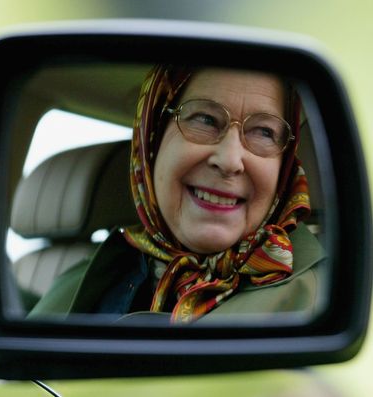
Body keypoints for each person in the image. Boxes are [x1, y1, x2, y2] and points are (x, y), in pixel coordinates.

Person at [30, 65, 325, 323]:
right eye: (205, 120)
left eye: (263, 132)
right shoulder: (90, 276)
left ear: (284, 165)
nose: (230, 160)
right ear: (152, 140)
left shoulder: (320, 299)